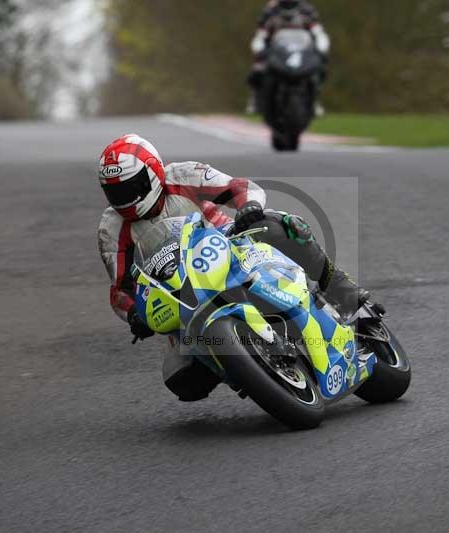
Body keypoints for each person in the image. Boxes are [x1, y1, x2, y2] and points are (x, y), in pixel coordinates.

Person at [97, 133, 369, 401]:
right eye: (115, 193)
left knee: (282, 228)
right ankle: (243, 365)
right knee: (182, 380)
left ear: (153, 172)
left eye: (131, 188)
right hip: (181, 292)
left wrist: (248, 206)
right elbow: (120, 289)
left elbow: (238, 186)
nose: (124, 199)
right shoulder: (111, 229)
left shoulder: (183, 175)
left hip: (229, 245)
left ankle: (343, 291)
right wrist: (133, 312)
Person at [247, 0, 330, 114]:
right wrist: (259, 48)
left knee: (319, 70)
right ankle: (255, 100)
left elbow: (318, 32)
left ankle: (314, 100)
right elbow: (261, 34)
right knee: (257, 70)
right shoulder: (270, 10)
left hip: (301, 52)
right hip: (275, 52)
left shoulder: (307, 10)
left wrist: (321, 48)